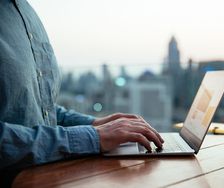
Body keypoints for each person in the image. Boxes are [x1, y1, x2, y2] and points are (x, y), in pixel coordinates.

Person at [0, 0, 164, 179]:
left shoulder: (26, 12)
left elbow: (35, 108)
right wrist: (92, 137)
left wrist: (95, 124)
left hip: (50, 176)